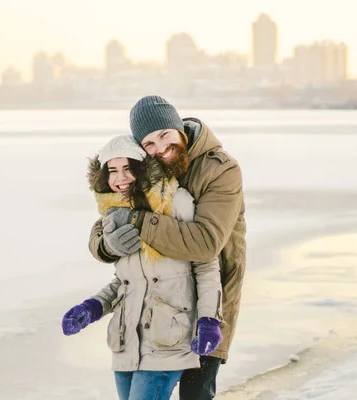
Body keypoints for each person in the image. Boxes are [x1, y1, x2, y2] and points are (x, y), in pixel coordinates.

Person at [88, 96, 246, 400]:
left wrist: (137, 220)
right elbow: (110, 215)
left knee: (195, 394)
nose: (160, 147)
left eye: (165, 135)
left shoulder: (221, 170)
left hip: (210, 300)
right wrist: (106, 244)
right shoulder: (148, 171)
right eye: (149, 143)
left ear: (179, 130)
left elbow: (205, 244)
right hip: (156, 308)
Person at [62, 135, 224, 400]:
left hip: (167, 340)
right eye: (112, 170)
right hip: (126, 343)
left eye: (128, 168)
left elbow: (205, 265)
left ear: (142, 168)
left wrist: (208, 320)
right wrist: (92, 307)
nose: (121, 178)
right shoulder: (114, 214)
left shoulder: (176, 202)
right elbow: (127, 281)